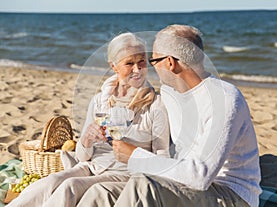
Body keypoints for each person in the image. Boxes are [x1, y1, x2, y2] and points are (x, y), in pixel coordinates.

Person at [81, 24, 262, 207]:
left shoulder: (225, 100)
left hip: (229, 194)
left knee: (142, 186)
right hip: (181, 183)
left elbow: (200, 176)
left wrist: (135, 155)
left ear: (169, 62)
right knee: (102, 192)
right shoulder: (170, 93)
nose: (151, 67)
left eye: (153, 61)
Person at [7, 32, 170, 207]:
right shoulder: (100, 100)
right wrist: (87, 139)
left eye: (142, 62)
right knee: (49, 182)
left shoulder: (155, 105)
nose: (137, 69)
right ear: (114, 66)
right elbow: (82, 157)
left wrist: (132, 154)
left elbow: (162, 157)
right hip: (92, 166)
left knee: (70, 186)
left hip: (125, 173)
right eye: (129, 63)